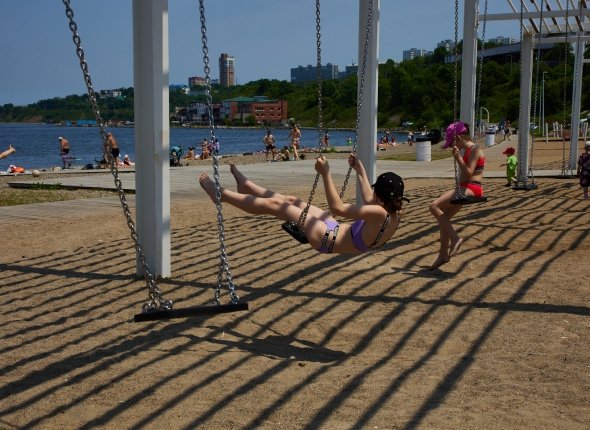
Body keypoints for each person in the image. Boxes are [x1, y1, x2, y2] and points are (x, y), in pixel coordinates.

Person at [198, 154, 409, 255]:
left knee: (279, 206)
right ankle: (248, 187)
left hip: (326, 238)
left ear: (381, 198)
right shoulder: (393, 212)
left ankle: (221, 195)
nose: (372, 194)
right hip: (334, 230)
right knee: (292, 201)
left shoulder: (379, 213)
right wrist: (360, 171)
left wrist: (325, 173)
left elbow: (337, 208)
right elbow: (370, 198)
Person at [429, 121, 485, 270]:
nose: (451, 146)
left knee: (433, 206)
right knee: (444, 219)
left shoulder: (475, 149)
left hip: (473, 188)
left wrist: (458, 158)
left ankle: (455, 238)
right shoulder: (467, 150)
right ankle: (443, 254)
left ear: (459, 137)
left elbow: (469, 173)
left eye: (452, 142)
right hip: (465, 187)